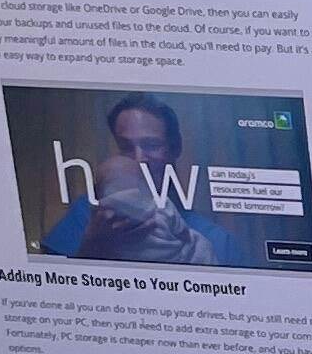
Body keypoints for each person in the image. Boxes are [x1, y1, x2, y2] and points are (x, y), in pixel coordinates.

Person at [41, 93, 227, 263]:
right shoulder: (89, 214)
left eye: (151, 145)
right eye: (126, 147)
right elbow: (48, 282)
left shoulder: (217, 240)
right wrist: (92, 246)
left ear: (175, 148)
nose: (139, 159)